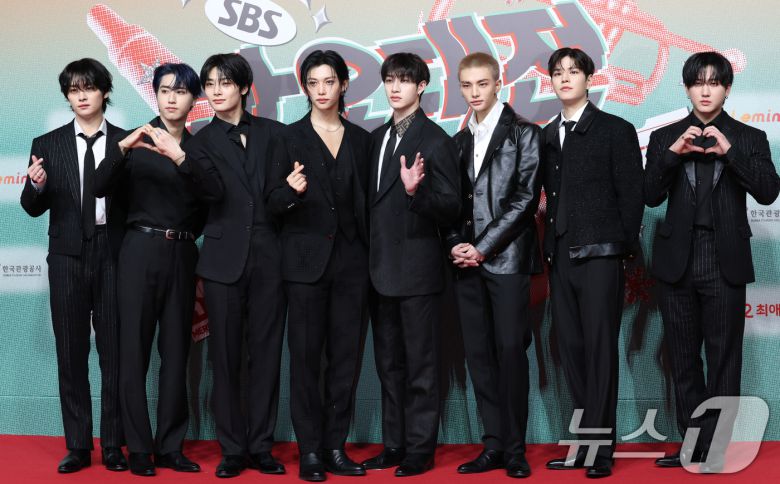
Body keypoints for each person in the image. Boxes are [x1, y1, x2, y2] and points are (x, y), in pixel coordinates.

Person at [646, 52, 780, 473]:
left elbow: (768, 192)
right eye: (698, 82)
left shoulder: (749, 137)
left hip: (724, 259)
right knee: (683, 358)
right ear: (687, 88)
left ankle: (717, 448)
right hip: (677, 261)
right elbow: (649, 194)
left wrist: (730, 153)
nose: (705, 90)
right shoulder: (665, 136)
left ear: (727, 88)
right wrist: (672, 155)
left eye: (714, 82)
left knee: (724, 360)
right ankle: (693, 446)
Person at [176, 53, 287, 478]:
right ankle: (233, 450)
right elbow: (210, 195)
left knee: (267, 356)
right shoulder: (198, 142)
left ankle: (262, 446)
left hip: (270, 260)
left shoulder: (275, 134)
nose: (216, 91)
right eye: (210, 84)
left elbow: (280, 195)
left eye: (225, 82)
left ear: (243, 87)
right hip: (222, 262)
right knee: (224, 360)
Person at [93, 62, 206, 476]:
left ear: (194, 100)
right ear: (155, 94)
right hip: (138, 250)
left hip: (182, 252)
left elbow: (211, 202)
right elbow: (98, 188)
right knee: (133, 353)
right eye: (164, 91)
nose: (172, 99)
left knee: (176, 354)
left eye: (181, 91)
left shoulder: (200, 149)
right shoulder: (132, 141)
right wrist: (122, 148)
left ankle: (170, 447)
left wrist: (181, 160)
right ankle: (139, 448)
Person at [265, 49, 372, 482]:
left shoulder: (364, 141)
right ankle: (309, 450)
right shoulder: (287, 138)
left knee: (346, 361)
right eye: (313, 83)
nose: (322, 90)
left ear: (343, 85)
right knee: (306, 361)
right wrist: (290, 192)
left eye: (329, 82)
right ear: (305, 88)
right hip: (304, 267)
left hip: (353, 266)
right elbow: (270, 203)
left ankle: (334, 447)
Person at [540, 47, 644, 478]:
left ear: (589, 78)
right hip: (560, 254)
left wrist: (620, 250)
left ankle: (600, 450)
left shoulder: (614, 129)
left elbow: (632, 196)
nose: (565, 78)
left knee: (600, 352)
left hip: (601, 255)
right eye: (557, 73)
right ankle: (584, 443)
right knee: (571, 350)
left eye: (573, 71)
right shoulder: (547, 134)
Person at [20, 58, 127, 473]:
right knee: (71, 351)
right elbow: (32, 207)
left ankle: (113, 444)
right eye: (73, 90)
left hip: (113, 253)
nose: (81, 96)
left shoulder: (125, 142)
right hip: (66, 256)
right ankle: (79, 445)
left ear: (105, 91)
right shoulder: (46, 144)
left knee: (114, 353)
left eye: (89, 87)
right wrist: (37, 185)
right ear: (67, 96)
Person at [360, 52, 461, 477]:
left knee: (421, 366)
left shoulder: (436, 139)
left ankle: (420, 449)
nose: (395, 87)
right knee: (388, 366)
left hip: (418, 271)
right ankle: (394, 444)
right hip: (378, 271)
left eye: (404, 80)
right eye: (390, 80)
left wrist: (415, 193)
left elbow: (453, 207)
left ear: (421, 86)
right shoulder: (375, 138)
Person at [445, 52, 542, 478]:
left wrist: (482, 246)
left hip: (507, 261)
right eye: (466, 85)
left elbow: (525, 199)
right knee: (479, 357)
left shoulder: (525, 133)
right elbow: (450, 202)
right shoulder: (458, 140)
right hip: (466, 265)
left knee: (510, 352)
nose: (474, 93)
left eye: (482, 84)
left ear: (498, 84)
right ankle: (493, 445)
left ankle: (515, 450)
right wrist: (456, 244)